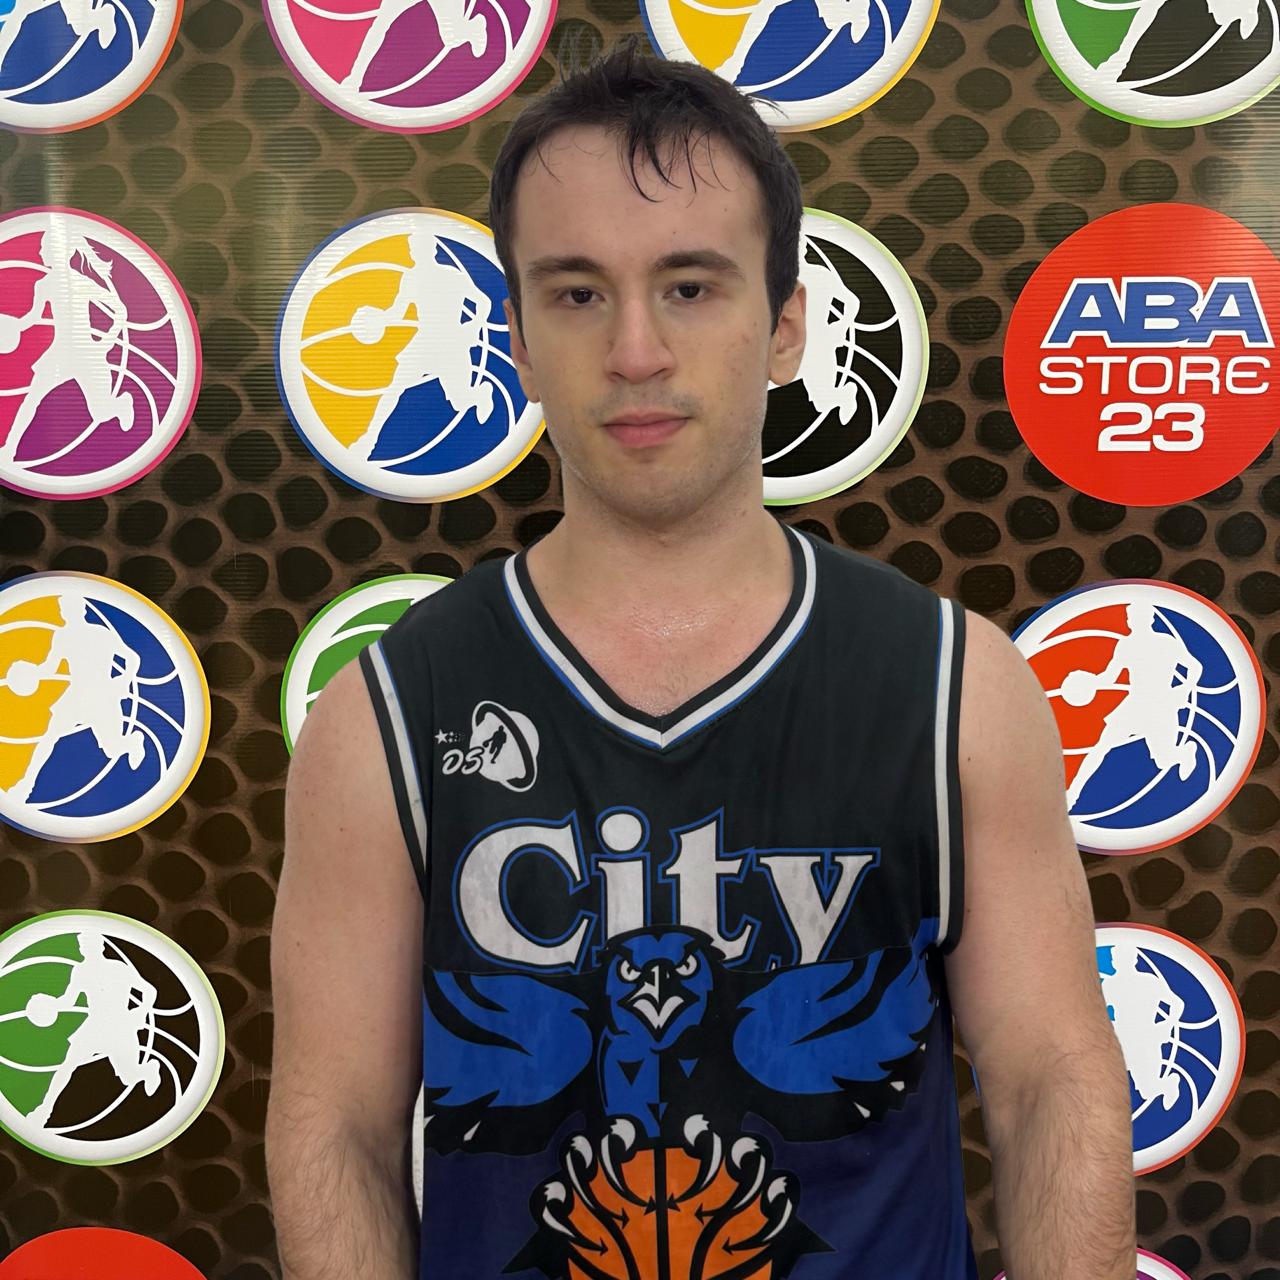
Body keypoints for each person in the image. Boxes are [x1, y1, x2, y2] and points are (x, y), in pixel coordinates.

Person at [267, 36, 1136, 1280]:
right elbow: (335, 1129)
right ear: (516, 336)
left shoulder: (953, 688)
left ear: (783, 325)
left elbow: (1052, 1078)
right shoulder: (388, 714)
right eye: (576, 292)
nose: (635, 350)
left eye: (688, 285)